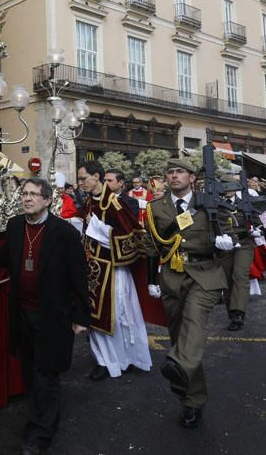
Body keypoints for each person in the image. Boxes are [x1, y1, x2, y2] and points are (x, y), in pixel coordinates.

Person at [0, 177, 89, 455]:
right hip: (21, 313)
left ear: (47, 200)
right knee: (29, 371)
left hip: (52, 316)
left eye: (34, 194)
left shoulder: (64, 233)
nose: (27, 198)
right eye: (24, 193)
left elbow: (79, 276)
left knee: (45, 374)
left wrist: (81, 315)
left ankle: (41, 433)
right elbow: (7, 258)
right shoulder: (15, 226)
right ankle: (41, 419)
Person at [145, 158, 236, 429]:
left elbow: (227, 233)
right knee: (180, 337)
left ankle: (185, 385)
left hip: (205, 273)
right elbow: (152, 247)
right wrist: (152, 280)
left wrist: (225, 244)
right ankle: (190, 396)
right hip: (172, 277)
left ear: (192, 177)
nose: (174, 177)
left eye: (180, 172)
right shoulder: (155, 208)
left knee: (193, 324)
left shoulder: (207, 203)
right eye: (170, 172)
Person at [77, 161, 151, 380]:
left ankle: (124, 358)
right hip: (92, 269)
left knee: (118, 317)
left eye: (83, 179)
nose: (80, 183)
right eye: (79, 180)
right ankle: (102, 360)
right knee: (93, 317)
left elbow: (131, 237)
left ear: (96, 176)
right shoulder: (90, 202)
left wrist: (97, 227)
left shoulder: (115, 203)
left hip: (113, 271)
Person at [219, 175, 261, 331]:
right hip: (224, 246)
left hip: (244, 243)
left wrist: (257, 229)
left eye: (230, 185)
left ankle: (239, 313)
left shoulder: (245, 201)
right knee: (228, 280)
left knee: (240, 275)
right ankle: (232, 313)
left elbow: (257, 220)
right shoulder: (215, 204)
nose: (227, 189)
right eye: (224, 185)